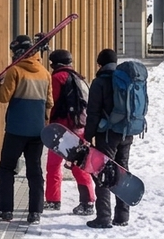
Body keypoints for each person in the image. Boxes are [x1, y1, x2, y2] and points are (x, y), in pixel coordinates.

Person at [0, 35, 52, 226]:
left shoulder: (15, 71)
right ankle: (35, 212)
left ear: (16, 52)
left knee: (7, 168)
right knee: (35, 170)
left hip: (16, 129)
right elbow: (50, 102)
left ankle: (5, 209)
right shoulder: (44, 72)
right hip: (37, 131)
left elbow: (4, 96)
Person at [84, 48, 134, 229]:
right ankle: (122, 216)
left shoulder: (99, 82)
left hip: (106, 136)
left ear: (100, 64)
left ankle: (103, 217)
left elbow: (93, 113)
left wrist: (87, 137)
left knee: (102, 172)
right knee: (122, 171)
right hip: (126, 133)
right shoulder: (125, 80)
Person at [44, 49, 95, 216]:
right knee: (79, 164)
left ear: (55, 64)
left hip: (61, 129)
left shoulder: (57, 78)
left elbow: (52, 102)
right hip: (79, 127)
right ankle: (87, 201)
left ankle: (53, 200)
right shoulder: (79, 78)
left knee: (53, 165)